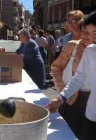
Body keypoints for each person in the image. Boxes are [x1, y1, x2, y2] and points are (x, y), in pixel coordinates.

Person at [47, 11, 96, 140]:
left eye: (94, 33)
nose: (90, 37)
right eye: (86, 31)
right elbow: (78, 77)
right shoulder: (90, 51)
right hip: (82, 105)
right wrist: (60, 97)